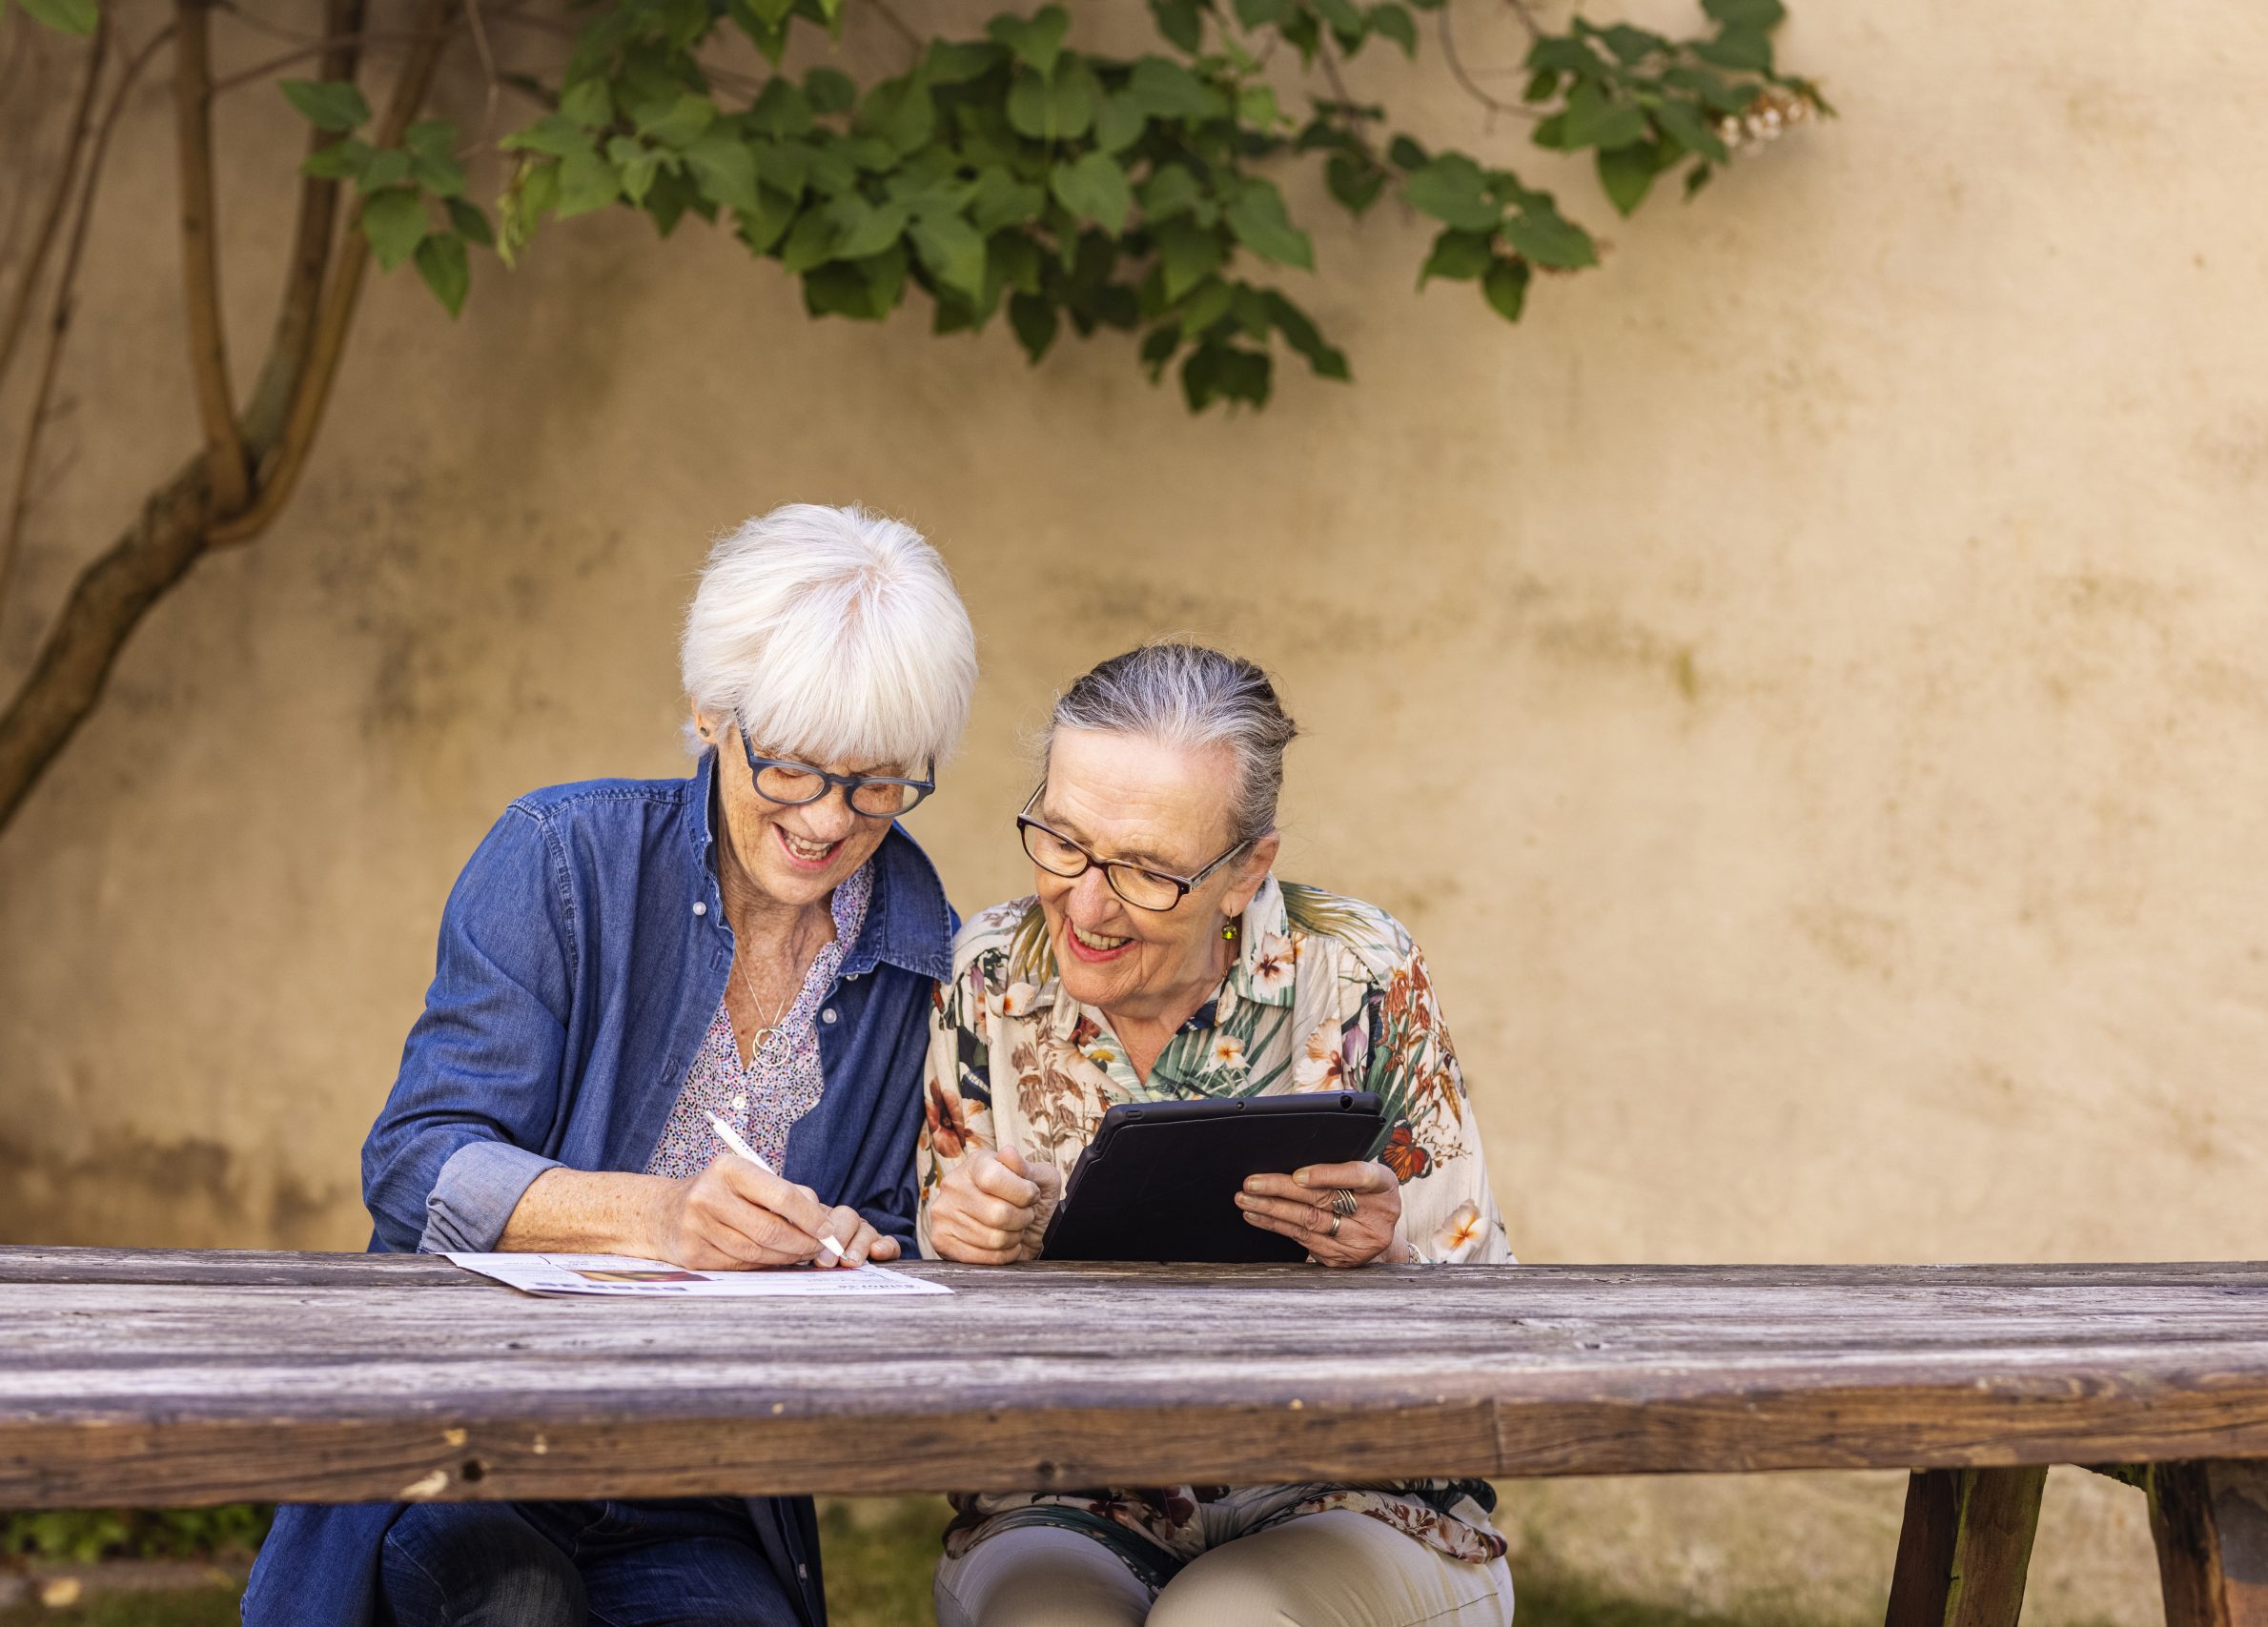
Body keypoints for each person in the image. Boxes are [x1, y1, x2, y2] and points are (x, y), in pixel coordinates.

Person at [241, 503, 976, 1627]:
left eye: (877, 783)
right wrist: (663, 1218)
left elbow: (890, 1220)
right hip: (470, 1441)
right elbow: (415, 1160)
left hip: (698, 1484)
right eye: (790, 770)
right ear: (708, 717)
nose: (828, 821)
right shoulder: (559, 862)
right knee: (518, 1601)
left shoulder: (919, 948)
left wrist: (863, 1239)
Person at [918, 641, 1517, 1627]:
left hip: (1355, 1498)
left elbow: (1488, 1321)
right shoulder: (988, 972)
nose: (1086, 901)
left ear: (1246, 872)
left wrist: (1390, 1259)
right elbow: (931, 1322)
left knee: (1221, 1618)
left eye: (1149, 869)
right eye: (1061, 840)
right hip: (1070, 1496)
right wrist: (962, 1245)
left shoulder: (1360, 974)